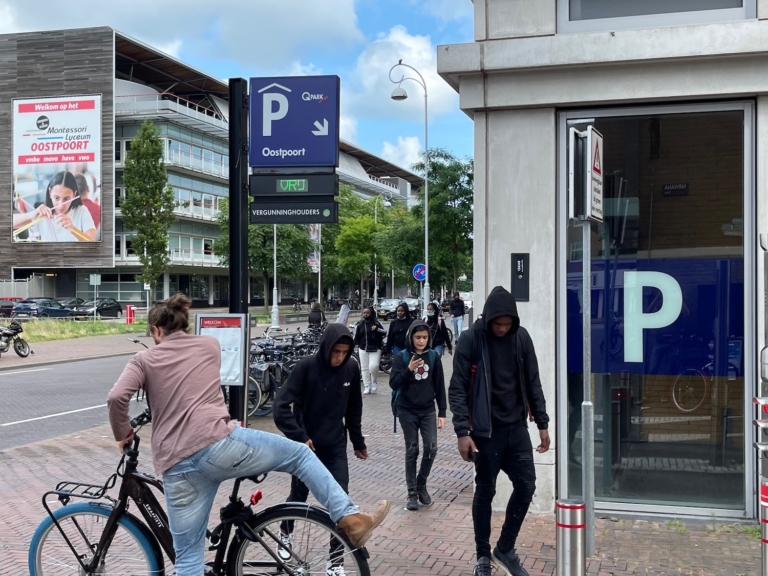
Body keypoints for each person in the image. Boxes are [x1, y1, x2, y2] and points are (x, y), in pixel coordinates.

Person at [107, 293, 390, 576]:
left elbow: (117, 397)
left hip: (177, 464)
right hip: (219, 446)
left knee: (188, 559)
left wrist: (124, 435)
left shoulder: (143, 359)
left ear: (156, 331)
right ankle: (349, 517)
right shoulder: (209, 345)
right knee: (300, 455)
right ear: (184, 324)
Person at [449, 286, 550, 576]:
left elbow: (533, 381)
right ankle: (482, 555)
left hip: (516, 427)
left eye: (507, 324)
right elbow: (457, 388)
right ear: (489, 318)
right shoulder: (471, 339)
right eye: (498, 324)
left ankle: (505, 548)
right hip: (485, 431)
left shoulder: (521, 338)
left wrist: (542, 423)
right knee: (485, 490)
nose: (502, 329)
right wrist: (462, 432)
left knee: (527, 485)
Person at [274, 323, 369, 575]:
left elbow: (354, 408)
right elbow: (280, 406)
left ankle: (335, 561)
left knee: (341, 502)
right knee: (298, 496)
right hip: (307, 447)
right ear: (326, 347)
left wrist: (358, 441)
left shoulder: (351, 368)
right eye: (335, 351)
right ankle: (285, 532)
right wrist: (299, 436)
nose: (339, 357)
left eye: (344, 352)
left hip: (335, 444)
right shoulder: (305, 367)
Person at [389, 321, 446, 511]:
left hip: (428, 409)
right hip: (407, 410)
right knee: (412, 449)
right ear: (411, 337)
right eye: (418, 337)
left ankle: (421, 484)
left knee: (431, 447)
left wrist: (442, 412)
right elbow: (394, 383)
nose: (421, 341)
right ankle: (412, 492)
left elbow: (439, 385)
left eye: (425, 337)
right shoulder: (402, 357)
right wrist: (408, 370)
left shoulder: (433, 356)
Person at [13, 171, 97, 242]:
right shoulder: (43, 214)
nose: (61, 204)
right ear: (50, 192)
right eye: (56, 198)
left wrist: (72, 229)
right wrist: (31, 214)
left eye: (66, 199)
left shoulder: (81, 211)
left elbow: (92, 242)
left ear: (74, 195)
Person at [354, 306, 386, 394]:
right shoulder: (360, 324)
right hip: (363, 348)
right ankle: (367, 386)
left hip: (375, 348)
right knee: (364, 368)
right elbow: (357, 337)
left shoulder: (377, 323)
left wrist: (377, 329)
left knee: (374, 366)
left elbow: (384, 332)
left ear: (371, 313)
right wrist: (355, 344)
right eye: (364, 313)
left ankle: (374, 380)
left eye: (367, 313)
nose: (366, 314)